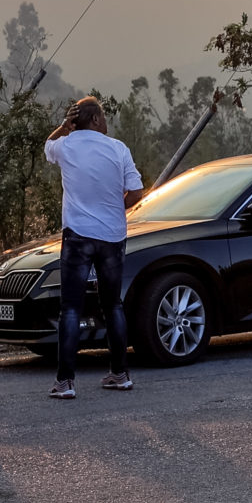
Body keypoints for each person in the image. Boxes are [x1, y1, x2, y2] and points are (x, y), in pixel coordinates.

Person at [41, 96, 146, 399]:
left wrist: (63, 127)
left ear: (75, 121)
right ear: (97, 120)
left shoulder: (66, 145)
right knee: (113, 304)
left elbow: (48, 145)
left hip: (78, 235)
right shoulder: (118, 148)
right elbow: (137, 191)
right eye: (103, 116)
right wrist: (116, 208)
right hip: (112, 235)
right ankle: (120, 373)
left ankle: (65, 381)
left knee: (70, 308)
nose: (106, 122)